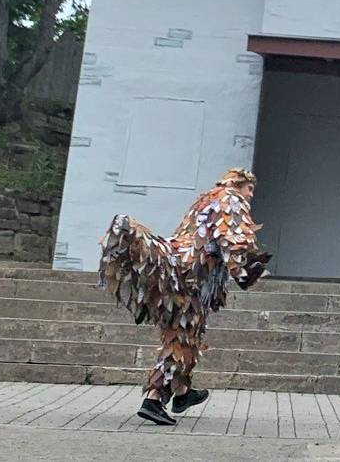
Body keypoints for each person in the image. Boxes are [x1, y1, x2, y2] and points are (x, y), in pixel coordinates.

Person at [98, 167, 271, 426]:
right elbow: (233, 239)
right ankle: (154, 400)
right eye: (249, 188)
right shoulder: (230, 199)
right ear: (237, 183)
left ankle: (181, 393)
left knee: (186, 335)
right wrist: (245, 270)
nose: (251, 194)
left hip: (178, 274)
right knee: (182, 340)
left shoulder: (204, 201)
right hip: (189, 280)